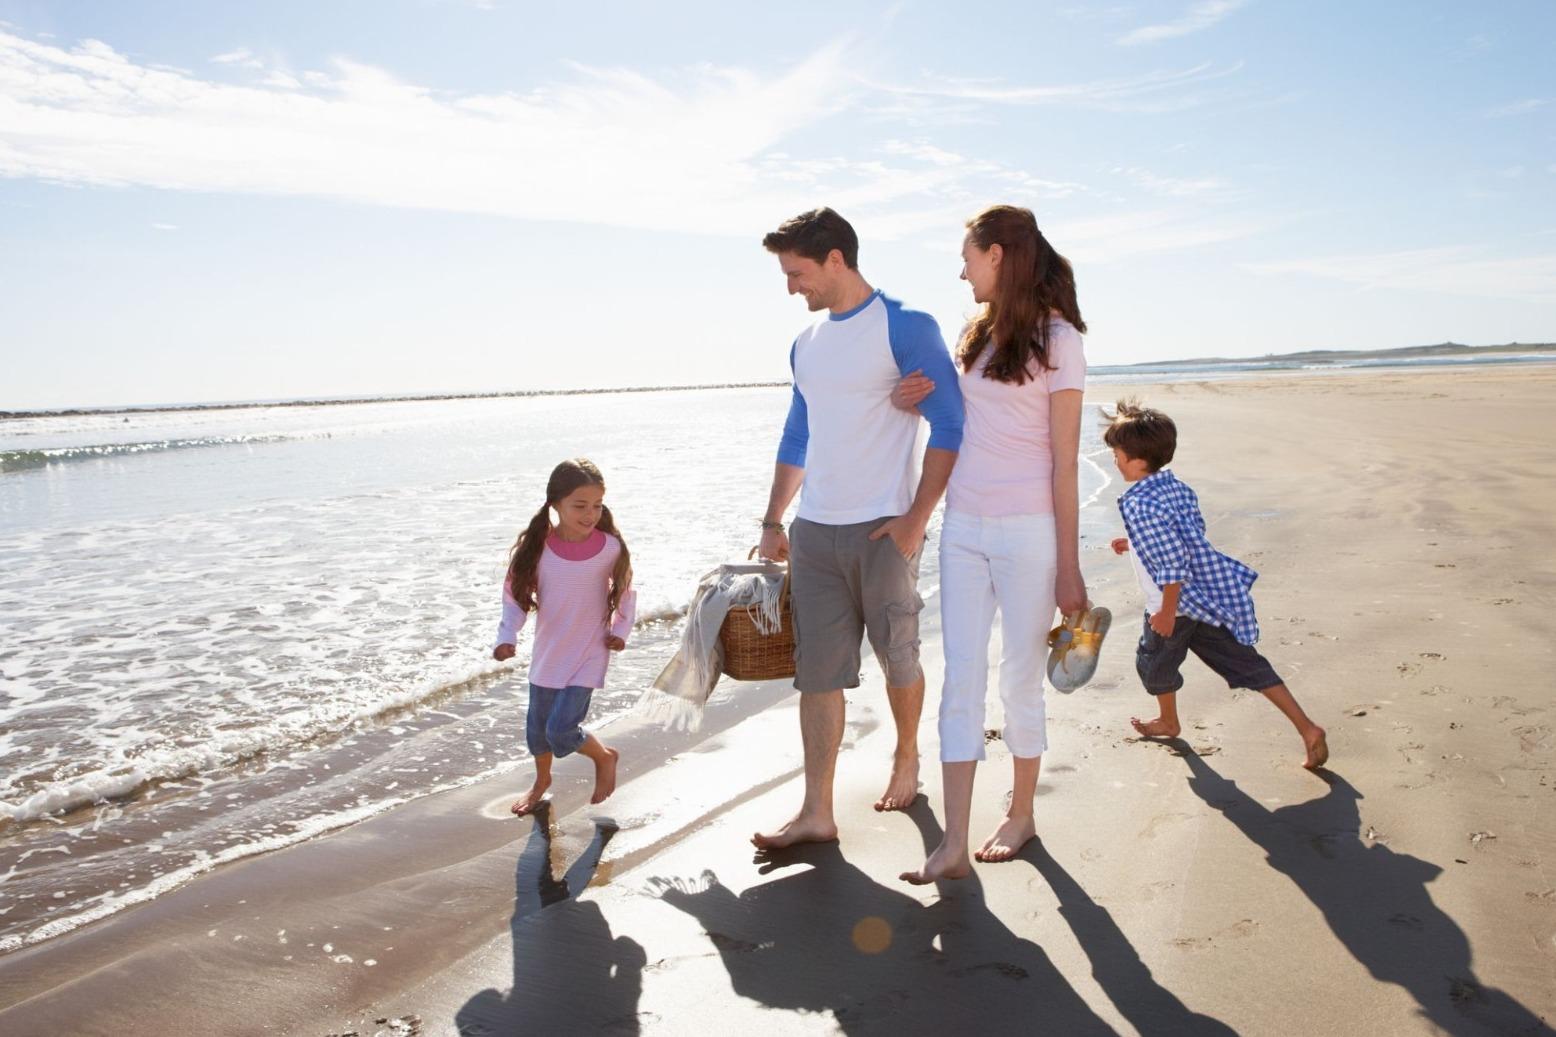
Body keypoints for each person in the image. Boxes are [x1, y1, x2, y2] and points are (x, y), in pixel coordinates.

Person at [753, 207, 965, 850]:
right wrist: (772, 520)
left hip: (884, 528)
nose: (792, 287)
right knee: (816, 673)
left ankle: (907, 756)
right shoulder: (806, 345)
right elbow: (798, 434)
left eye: (798, 273)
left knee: (898, 658)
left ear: (836, 259)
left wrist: (915, 519)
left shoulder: (905, 326)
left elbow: (950, 425)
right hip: (816, 532)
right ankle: (817, 809)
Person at [894, 205, 1089, 884]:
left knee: (1018, 680)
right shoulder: (971, 335)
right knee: (961, 677)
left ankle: (1022, 810)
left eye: (969, 256)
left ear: (998, 255)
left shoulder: (1060, 340)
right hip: (964, 528)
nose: (962, 268)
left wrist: (1071, 564)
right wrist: (910, 398)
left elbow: (1065, 461)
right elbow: (955, 421)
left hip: (1031, 530)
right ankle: (952, 841)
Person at [1102, 400, 1328, 769]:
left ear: (1138, 461)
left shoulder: (1141, 504)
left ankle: (1169, 720)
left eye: (1118, 454)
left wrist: (1167, 612)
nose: (1115, 460)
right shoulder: (1174, 488)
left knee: (1153, 664)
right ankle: (1307, 727)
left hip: (1172, 605)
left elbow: (1173, 562)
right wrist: (1134, 544)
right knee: (1245, 664)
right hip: (1203, 600)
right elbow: (1188, 535)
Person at [493, 458, 637, 815]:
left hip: (590, 651)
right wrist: (506, 636)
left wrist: (620, 631)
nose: (590, 514)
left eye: (597, 506)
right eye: (580, 506)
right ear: (555, 504)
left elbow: (626, 594)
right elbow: (514, 597)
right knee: (538, 733)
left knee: (561, 730)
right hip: (549, 653)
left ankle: (604, 757)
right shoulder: (537, 549)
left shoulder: (610, 548)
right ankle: (541, 782)